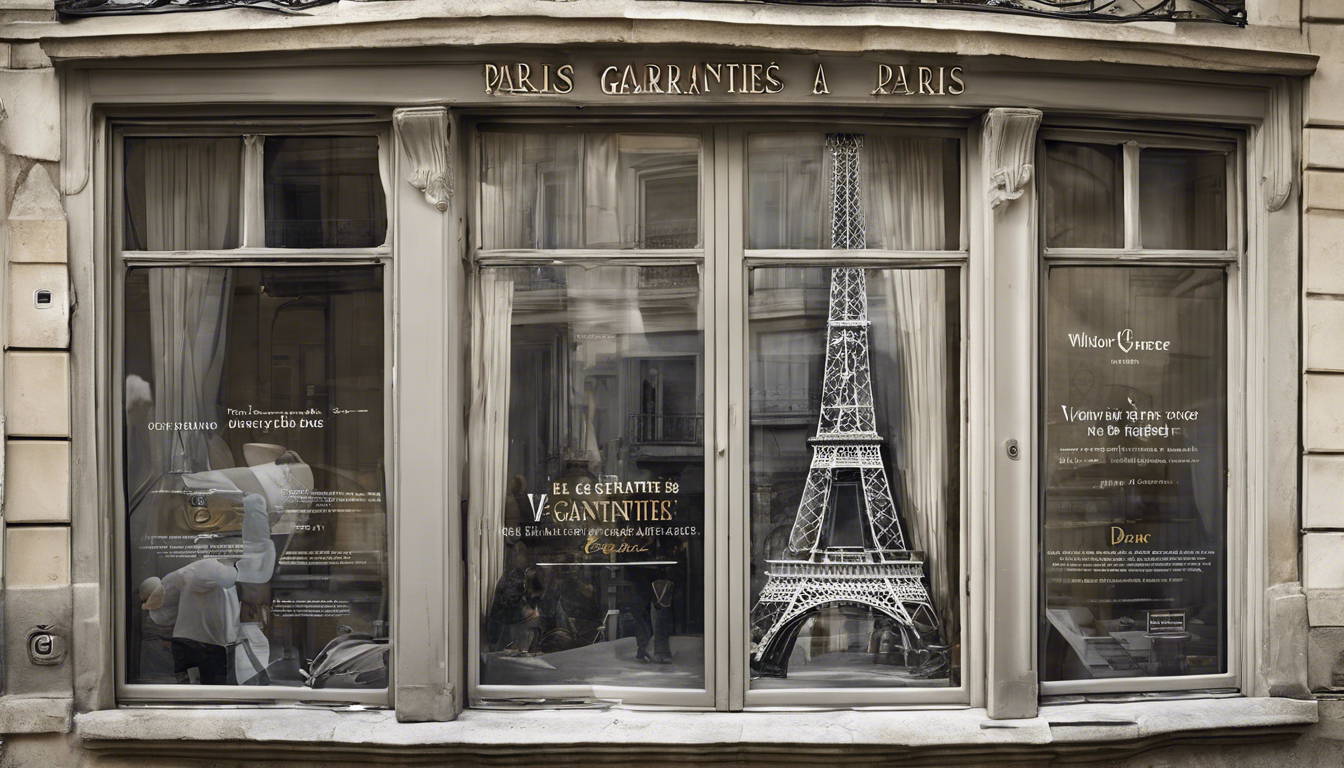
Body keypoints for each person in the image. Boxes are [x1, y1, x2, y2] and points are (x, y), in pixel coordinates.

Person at [139, 492, 275, 684]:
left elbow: (162, 604)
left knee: (197, 688)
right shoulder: (210, 568)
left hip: (194, 644)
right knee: (209, 688)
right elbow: (236, 575)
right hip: (204, 646)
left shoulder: (191, 572)